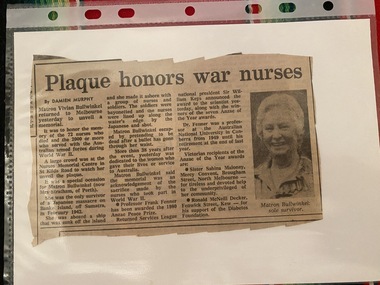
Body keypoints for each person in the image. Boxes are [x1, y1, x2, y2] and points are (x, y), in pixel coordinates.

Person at [254, 93, 314, 199]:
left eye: (283, 127)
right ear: (261, 134)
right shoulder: (254, 179)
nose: (276, 135)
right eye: (269, 128)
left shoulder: (313, 175)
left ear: (298, 131)